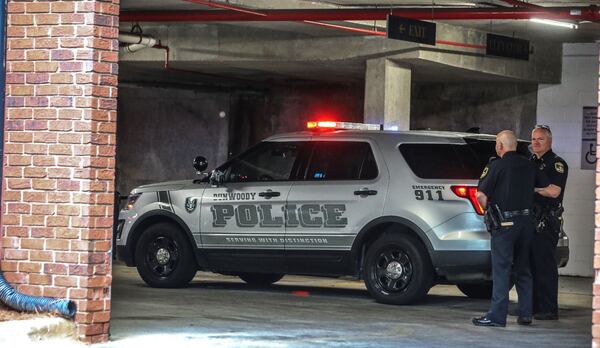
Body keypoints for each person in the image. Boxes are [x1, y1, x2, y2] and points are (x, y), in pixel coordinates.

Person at [472, 130, 559, 327]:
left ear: (500, 146)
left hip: (505, 224)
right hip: (527, 224)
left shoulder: (497, 165)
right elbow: (553, 191)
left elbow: (480, 195)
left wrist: (487, 209)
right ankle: (526, 314)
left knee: (502, 270)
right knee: (524, 269)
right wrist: (532, 189)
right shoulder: (529, 164)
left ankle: (497, 316)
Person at [530, 125, 568, 320]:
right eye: (533, 139)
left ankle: (549, 309)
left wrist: (532, 190)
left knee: (545, 266)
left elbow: (554, 191)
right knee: (530, 265)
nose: (535, 143)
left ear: (549, 141)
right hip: (530, 220)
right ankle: (533, 307)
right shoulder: (529, 162)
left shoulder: (556, 164)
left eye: (540, 139)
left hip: (547, 220)